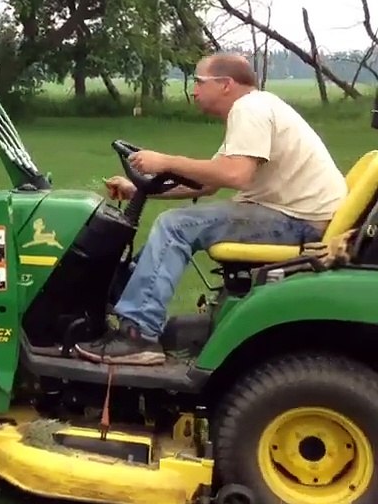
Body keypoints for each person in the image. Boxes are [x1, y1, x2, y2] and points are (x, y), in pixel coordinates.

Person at [74, 53, 347, 366]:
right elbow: (208, 182)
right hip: (293, 213)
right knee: (178, 225)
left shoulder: (251, 109)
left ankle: (138, 334)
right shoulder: (252, 110)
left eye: (200, 82)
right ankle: (120, 300)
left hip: (299, 221)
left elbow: (234, 175)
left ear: (226, 84)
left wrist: (166, 161)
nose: (194, 91)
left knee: (174, 225)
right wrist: (139, 188)